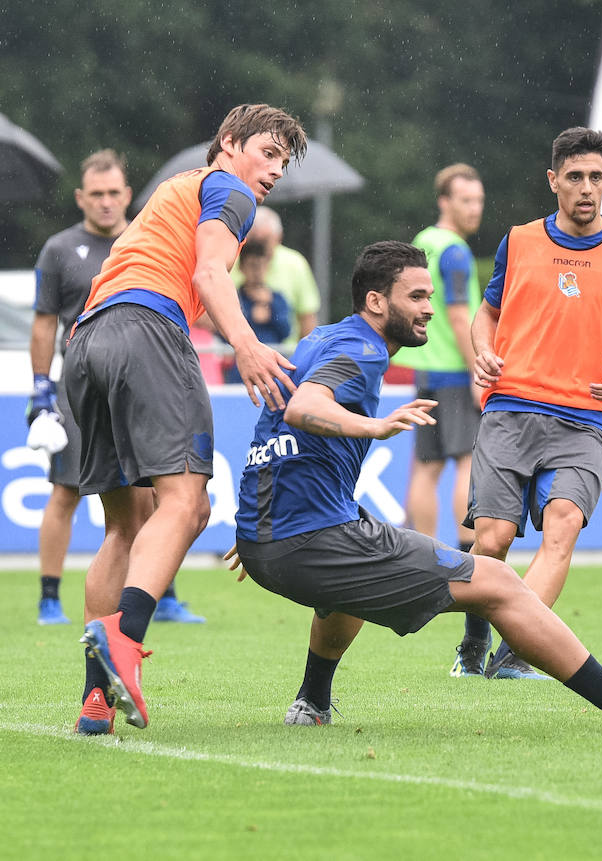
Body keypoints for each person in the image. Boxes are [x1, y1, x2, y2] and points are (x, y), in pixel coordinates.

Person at [229, 241, 602, 733]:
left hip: (266, 540)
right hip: (305, 541)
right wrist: (372, 427)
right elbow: (301, 409)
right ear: (376, 302)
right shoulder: (364, 349)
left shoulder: (321, 338)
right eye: (417, 297)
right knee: (498, 581)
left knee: (355, 554)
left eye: (431, 296)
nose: (429, 309)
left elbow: (275, 428)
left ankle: (312, 703)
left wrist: (263, 522)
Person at [69, 104, 307, 735]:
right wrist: (249, 344)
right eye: (268, 152)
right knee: (188, 505)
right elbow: (205, 272)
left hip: (88, 341)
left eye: (285, 161)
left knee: (125, 526)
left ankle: (96, 700)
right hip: (145, 329)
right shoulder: (227, 190)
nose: (276, 170)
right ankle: (125, 645)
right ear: (228, 145)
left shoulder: (175, 196)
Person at [456, 126, 602, 680]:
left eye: (596, 177)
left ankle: (515, 653)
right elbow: (488, 313)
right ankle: (474, 639)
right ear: (554, 182)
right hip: (512, 407)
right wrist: (482, 350)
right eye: (575, 177)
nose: (586, 188)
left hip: (585, 419)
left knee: (562, 524)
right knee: (492, 539)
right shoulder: (519, 241)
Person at [27, 149, 202, 628]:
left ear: (128, 195)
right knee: (67, 491)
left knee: (153, 495)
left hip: (143, 379)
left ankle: (162, 594)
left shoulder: (149, 237)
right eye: (96, 194)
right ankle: (48, 597)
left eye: (113, 193)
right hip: (81, 383)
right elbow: (44, 325)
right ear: (82, 198)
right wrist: (41, 389)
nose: (105, 202)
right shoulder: (60, 250)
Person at [391, 164, 486, 606]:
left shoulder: (423, 243)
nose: (475, 209)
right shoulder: (455, 252)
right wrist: (476, 370)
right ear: (445, 201)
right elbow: (459, 314)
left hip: (425, 368)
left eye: (478, 200)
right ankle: (467, 556)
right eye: (466, 200)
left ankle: (419, 560)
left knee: (426, 468)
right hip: (453, 369)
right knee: (468, 459)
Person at [230, 205, 320, 350]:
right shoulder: (230, 259)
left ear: (279, 238)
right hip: (237, 356)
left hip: (283, 356)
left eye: (264, 240)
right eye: (253, 240)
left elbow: (306, 318)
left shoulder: (295, 263)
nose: (258, 248)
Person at [223, 240, 293, 383]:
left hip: (273, 369)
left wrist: (271, 309)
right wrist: (249, 316)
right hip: (240, 371)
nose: (257, 272)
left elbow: (286, 331)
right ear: (242, 268)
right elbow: (224, 332)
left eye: (261, 266)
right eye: (252, 266)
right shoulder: (232, 298)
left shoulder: (278, 299)